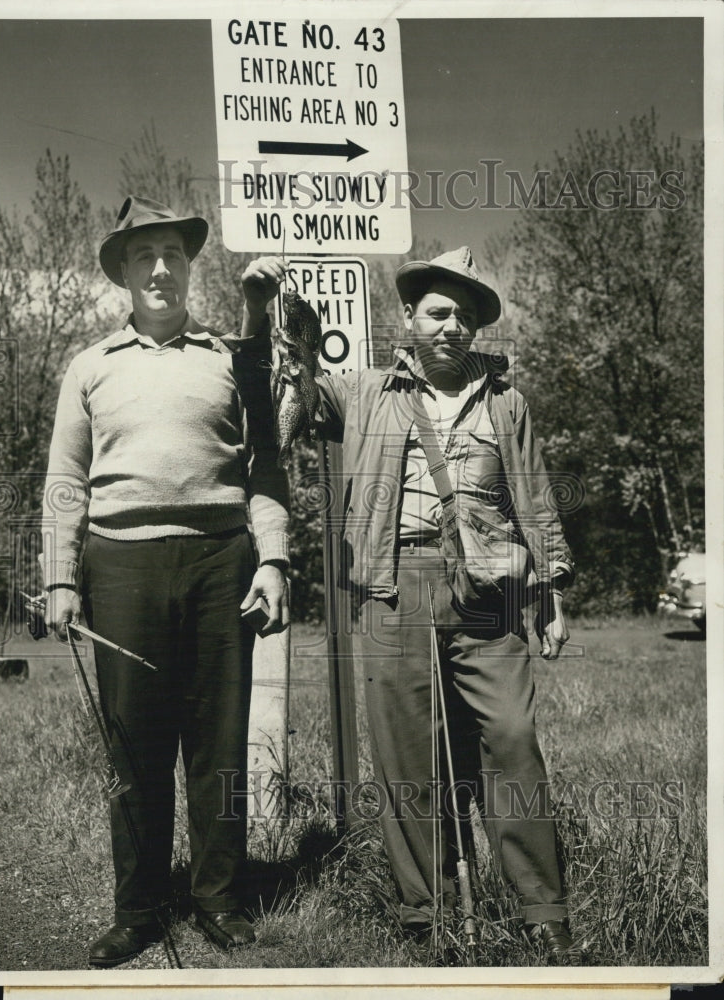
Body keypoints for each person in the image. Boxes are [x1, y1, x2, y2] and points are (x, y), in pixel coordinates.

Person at [241, 247, 578, 957]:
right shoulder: (364, 391)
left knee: (511, 741)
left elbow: (536, 496)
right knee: (405, 758)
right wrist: (290, 337)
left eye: (464, 316)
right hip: (394, 585)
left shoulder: (505, 402)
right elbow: (285, 416)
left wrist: (549, 586)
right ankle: (428, 916)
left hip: (491, 590)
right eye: (437, 312)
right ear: (409, 318)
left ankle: (542, 912)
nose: (452, 326)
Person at [40, 196, 290, 967]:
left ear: (188, 268)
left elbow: (265, 468)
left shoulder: (227, 358)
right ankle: (138, 910)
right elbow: (66, 478)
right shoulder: (90, 365)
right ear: (123, 272)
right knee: (134, 747)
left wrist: (274, 560)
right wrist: (59, 577)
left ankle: (219, 899)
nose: (159, 269)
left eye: (173, 255)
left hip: (221, 563)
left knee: (219, 743)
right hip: (120, 565)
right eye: (144, 256)